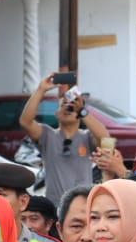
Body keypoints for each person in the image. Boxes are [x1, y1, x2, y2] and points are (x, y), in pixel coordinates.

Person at [19, 73, 111, 205]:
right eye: (64, 105)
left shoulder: (86, 137)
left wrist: (82, 111)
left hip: (82, 204)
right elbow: (25, 122)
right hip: (54, 204)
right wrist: (41, 90)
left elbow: (105, 138)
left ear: (79, 113)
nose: (68, 108)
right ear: (56, 113)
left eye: (72, 106)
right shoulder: (47, 135)